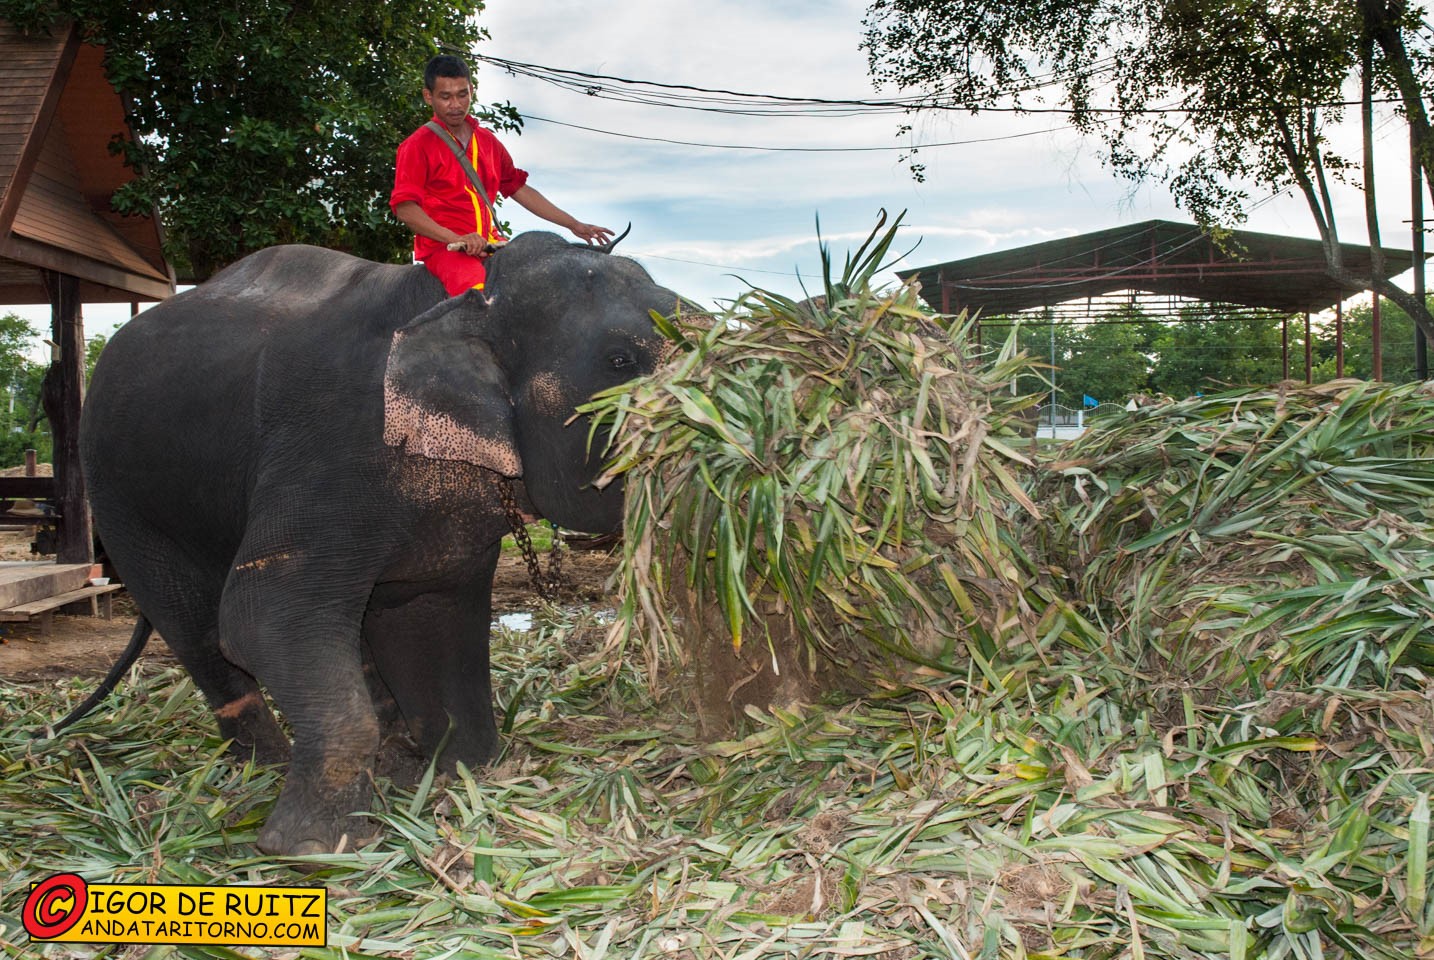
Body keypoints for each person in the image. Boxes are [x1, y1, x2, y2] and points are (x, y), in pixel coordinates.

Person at [391, 55, 613, 296]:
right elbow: (406, 208)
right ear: (428, 96)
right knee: (478, 290)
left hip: (492, 244)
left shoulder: (488, 142)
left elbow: (519, 189)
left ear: (471, 90)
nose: (455, 104)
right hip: (447, 249)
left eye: (462, 94)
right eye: (445, 97)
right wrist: (456, 238)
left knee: (545, 280)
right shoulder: (417, 145)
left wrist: (574, 224)